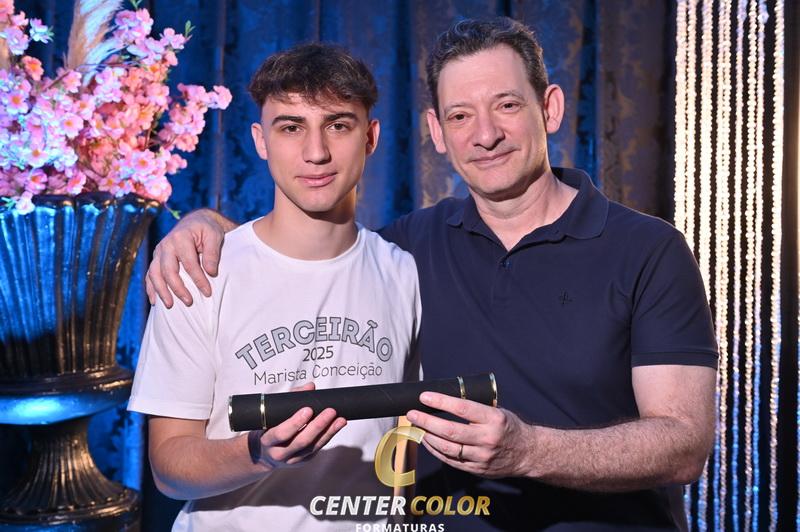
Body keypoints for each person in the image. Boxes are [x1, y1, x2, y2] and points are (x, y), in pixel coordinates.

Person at [145, 17, 718, 531]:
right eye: (460, 115)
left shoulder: (649, 250)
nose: (485, 135)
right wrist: (205, 225)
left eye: (507, 106)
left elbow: (685, 443)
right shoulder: (412, 247)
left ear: (550, 108)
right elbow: (307, 245)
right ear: (437, 131)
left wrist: (528, 451)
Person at [128, 43, 421, 531]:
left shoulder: (403, 273)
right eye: (291, 127)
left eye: (338, 125)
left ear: (370, 137)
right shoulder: (200, 270)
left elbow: (404, 439)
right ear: (260, 140)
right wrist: (257, 453)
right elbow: (169, 467)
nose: (316, 153)